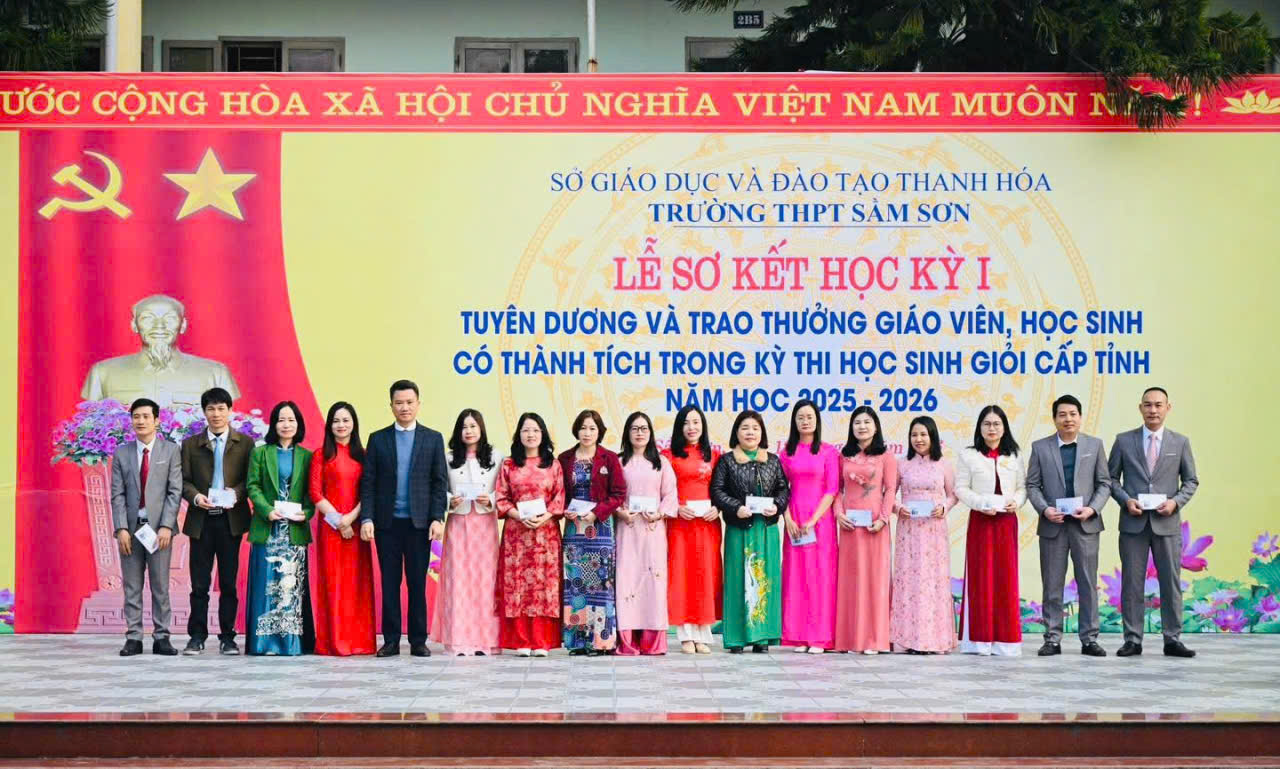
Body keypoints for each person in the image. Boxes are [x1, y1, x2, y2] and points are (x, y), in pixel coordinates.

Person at [358, 380, 449, 658]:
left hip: (419, 525)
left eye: (409, 402)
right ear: (391, 406)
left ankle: (418, 640)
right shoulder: (378, 439)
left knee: (417, 584)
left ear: (418, 404)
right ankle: (391, 641)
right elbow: (368, 483)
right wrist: (367, 518)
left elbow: (439, 482)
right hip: (386, 525)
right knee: (390, 583)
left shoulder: (433, 438)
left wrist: (437, 518)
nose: (404, 407)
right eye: (399, 403)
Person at [1109, 386, 1199, 658]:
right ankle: (1132, 640)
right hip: (1133, 524)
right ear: (1140, 408)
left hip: (1167, 524)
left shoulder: (1180, 442)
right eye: (1148, 405)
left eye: (1158, 405)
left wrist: (1175, 502)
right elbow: (1110, 479)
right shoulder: (1123, 441)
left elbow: (1191, 481)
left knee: (1170, 583)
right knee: (1132, 584)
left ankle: (1172, 639)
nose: (1153, 410)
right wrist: (1126, 500)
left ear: (1168, 408)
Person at [1026, 394, 1111, 658]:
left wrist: (1092, 509)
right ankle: (1052, 639)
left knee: (1087, 583)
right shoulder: (1040, 448)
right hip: (1054, 526)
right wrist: (1044, 509)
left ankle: (1090, 639)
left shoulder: (1094, 445)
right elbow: (1032, 485)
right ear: (1054, 419)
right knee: (1052, 584)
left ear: (1080, 417)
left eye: (1073, 414)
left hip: (1085, 525)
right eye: (1062, 414)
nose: (1068, 419)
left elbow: (1104, 483)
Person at [181, 386, 255, 655]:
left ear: (230, 411)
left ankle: (228, 637)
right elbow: (183, 481)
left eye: (221, 408)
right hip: (201, 520)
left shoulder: (245, 443)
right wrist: (195, 497)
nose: (216, 414)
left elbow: (251, 480)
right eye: (210, 409)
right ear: (204, 412)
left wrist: (236, 493)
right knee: (199, 583)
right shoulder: (190, 444)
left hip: (230, 520)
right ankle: (197, 636)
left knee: (228, 583)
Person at [109, 397, 183, 656]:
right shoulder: (122, 453)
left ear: (157, 421)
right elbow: (117, 494)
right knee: (132, 586)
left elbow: (174, 491)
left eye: (146, 416)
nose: (141, 421)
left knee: (160, 586)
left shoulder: (170, 451)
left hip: (159, 531)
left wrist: (166, 526)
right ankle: (134, 637)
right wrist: (121, 528)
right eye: (136, 416)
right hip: (131, 530)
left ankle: (162, 637)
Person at [711, 409, 789, 654]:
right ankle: (736, 638)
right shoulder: (727, 461)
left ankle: (762, 637)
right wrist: (736, 507)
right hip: (739, 528)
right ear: (736, 432)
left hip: (766, 529)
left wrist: (777, 505)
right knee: (738, 579)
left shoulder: (773, 460)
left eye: (755, 428)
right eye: (745, 428)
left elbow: (783, 489)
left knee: (765, 580)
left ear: (762, 433)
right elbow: (717, 491)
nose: (750, 432)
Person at [81, 293, 240, 409]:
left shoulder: (215, 373)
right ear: (134, 325)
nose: (159, 326)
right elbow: (91, 427)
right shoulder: (103, 373)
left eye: (170, 318)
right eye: (148, 318)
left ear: (183, 325)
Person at [955, 404, 1027, 656]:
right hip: (981, 521)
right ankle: (980, 640)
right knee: (981, 577)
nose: (992, 428)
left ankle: (1006, 642)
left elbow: (1022, 488)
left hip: (1006, 522)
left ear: (1004, 427)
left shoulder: (1014, 455)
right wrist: (980, 503)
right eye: (987, 424)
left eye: (996, 424)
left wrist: (1015, 501)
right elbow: (960, 488)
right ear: (980, 427)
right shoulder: (969, 455)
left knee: (1006, 578)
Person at [245, 401, 315, 656]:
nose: (286, 425)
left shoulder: (307, 456)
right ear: (274, 424)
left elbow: (311, 493)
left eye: (291, 420)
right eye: (281, 420)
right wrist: (266, 510)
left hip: (293, 532)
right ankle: (263, 643)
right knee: (265, 585)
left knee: (291, 587)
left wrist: (306, 513)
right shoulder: (260, 453)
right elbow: (252, 486)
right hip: (268, 529)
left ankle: (291, 643)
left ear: (299, 424)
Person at [494, 412, 566, 657]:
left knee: (544, 586)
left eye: (535, 430)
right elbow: (501, 498)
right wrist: (518, 515)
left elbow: (559, 498)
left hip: (545, 535)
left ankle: (542, 641)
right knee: (517, 586)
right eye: (526, 430)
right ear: (519, 434)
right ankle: (521, 641)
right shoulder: (508, 464)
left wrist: (544, 517)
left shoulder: (553, 464)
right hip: (516, 535)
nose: (531, 434)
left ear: (543, 434)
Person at [432, 408, 503, 656]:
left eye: (473, 426)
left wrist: (491, 498)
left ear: (481, 428)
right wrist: (449, 500)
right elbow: (438, 488)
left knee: (485, 581)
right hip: (458, 524)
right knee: (458, 580)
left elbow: (504, 490)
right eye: (464, 427)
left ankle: (486, 641)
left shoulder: (496, 457)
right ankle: (458, 641)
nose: (469, 431)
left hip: (485, 526)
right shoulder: (448, 458)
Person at [309, 401, 376, 656]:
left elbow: (369, 491)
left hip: (358, 528)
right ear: (329, 425)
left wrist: (351, 519)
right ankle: (333, 641)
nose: (341, 425)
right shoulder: (321, 455)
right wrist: (338, 521)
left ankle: (359, 641)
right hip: (330, 529)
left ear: (354, 424)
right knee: (333, 584)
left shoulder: (364, 455)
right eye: (336, 421)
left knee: (357, 585)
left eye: (346, 420)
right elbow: (315, 493)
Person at [558, 409, 627, 655]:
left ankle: (601, 641)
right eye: (583, 428)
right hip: (574, 529)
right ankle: (577, 642)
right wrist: (565, 510)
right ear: (576, 430)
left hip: (600, 528)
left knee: (600, 583)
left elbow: (618, 494)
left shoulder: (609, 458)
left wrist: (597, 513)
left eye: (592, 428)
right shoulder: (564, 458)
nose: (587, 433)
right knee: (575, 583)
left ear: (600, 432)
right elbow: (558, 492)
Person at [832, 406, 897, 654]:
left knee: (875, 581)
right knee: (851, 582)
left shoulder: (886, 456)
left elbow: (890, 490)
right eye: (857, 422)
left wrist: (883, 519)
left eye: (867, 422)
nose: (862, 427)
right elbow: (837, 490)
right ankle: (850, 639)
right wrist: (839, 514)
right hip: (850, 527)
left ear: (876, 426)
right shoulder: (844, 455)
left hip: (875, 527)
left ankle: (874, 640)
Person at [890, 416, 957, 654]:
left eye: (923, 435)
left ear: (933, 437)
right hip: (908, 531)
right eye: (914, 435)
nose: (918, 439)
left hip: (934, 531)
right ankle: (906, 640)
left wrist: (944, 507)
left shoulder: (943, 464)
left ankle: (934, 640)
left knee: (932, 581)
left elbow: (954, 494)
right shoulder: (901, 464)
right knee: (908, 581)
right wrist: (898, 508)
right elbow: (889, 494)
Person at [778, 399, 839, 654]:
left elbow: (832, 489)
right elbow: (780, 489)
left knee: (820, 577)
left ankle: (820, 637)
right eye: (800, 417)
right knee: (797, 577)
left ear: (817, 420)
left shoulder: (828, 452)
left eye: (809, 417)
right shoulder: (786, 453)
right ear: (794, 421)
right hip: (794, 521)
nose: (805, 421)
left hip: (820, 522)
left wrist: (814, 519)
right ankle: (799, 636)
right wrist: (788, 519)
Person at [615, 411, 678, 656]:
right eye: (634, 428)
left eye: (644, 428)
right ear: (627, 433)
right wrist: (620, 512)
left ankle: (653, 642)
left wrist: (659, 513)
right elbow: (612, 495)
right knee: (627, 579)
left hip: (653, 531)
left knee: (654, 581)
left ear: (651, 433)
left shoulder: (661, 463)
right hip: (627, 529)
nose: (639, 433)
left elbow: (670, 495)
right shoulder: (618, 462)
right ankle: (628, 642)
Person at [661, 404, 722, 655]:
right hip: (680, 524)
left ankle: (703, 634)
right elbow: (662, 490)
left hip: (707, 524)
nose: (691, 427)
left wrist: (718, 508)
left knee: (705, 575)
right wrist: (676, 507)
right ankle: (685, 635)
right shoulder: (668, 456)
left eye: (696, 422)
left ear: (703, 426)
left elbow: (722, 489)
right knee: (682, 575)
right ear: (679, 427)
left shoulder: (714, 455)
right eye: (686, 422)